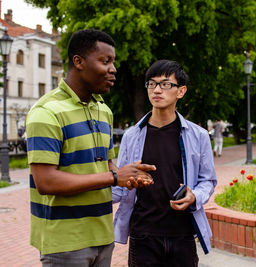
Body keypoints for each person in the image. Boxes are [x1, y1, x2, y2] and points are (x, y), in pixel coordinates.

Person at [25, 29, 155, 266]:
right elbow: (46, 182)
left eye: (113, 62)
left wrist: (128, 175)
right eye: (105, 61)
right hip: (65, 241)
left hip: (103, 235)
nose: (113, 69)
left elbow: (105, 164)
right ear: (79, 62)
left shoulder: (103, 110)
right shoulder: (46, 112)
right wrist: (115, 176)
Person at [112, 59, 217, 267]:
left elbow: (208, 180)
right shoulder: (132, 135)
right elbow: (121, 183)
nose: (157, 90)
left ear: (181, 91)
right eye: (152, 83)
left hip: (183, 234)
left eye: (166, 84)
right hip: (143, 235)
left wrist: (194, 195)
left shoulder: (198, 136)